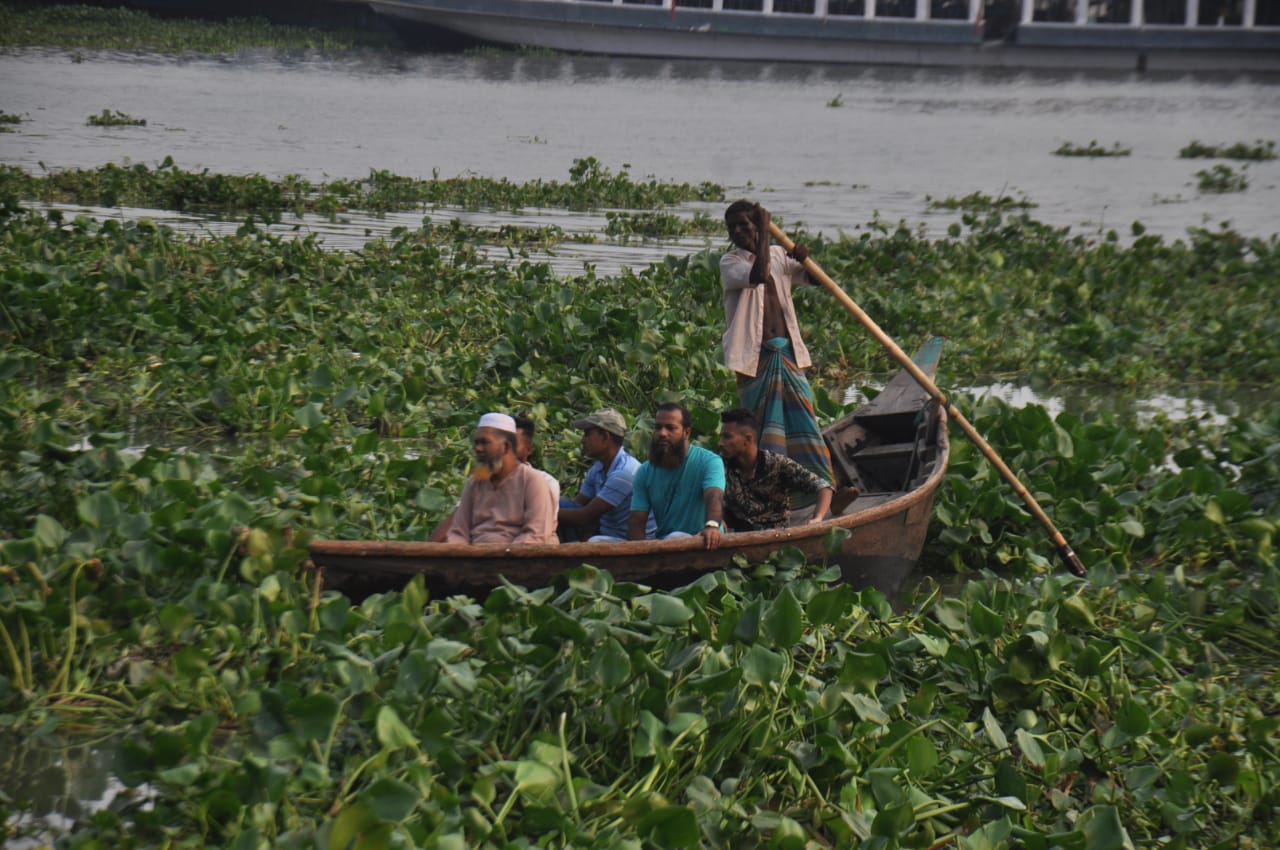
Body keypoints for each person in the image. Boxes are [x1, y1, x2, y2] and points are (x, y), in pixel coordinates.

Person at [720, 200, 835, 487]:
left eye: (744, 225)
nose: (738, 231)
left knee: (805, 421)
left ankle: (822, 486)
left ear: (756, 226)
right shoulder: (730, 262)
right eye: (732, 227)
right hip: (754, 359)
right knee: (758, 428)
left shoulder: (778, 256)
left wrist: (805, 258)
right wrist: (765, 234)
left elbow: (817, 279)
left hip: (787, 353)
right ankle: (767, 490)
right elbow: (758, 275)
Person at [430, 414, 558, 542]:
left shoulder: (532, 480)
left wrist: (503, 555)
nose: (478, 449)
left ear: (506, 447)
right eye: (476, 443)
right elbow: (458, 531)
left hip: (520, 556)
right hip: (475, 556)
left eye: (485, 443)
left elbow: (536, 534)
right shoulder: (476, 481)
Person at [718, 407, 835, 532]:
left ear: (748, 439)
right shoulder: (719, 465)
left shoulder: (777, 464)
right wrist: (717, 520)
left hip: (776, 535)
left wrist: (817, 518)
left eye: (727, 437)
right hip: (737, 534)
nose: (720, 443)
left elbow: (824, 487)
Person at [628, 402, 725, 549]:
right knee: (598, 540)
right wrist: (639, 555)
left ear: (686, 433)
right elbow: (637, 521)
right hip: (665, 543)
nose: (662, 433)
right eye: (658, 427)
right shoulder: (645, 471)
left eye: (670, 428)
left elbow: (714, 496)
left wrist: (711, 526)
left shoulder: (709, 461)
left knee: (675, 537)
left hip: (703, 541)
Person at [559, 408, 653, 542]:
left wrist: (540, 513)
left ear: (605, 437)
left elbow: (584, 516)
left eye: (587, 434)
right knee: (560, 504)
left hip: (628, 540)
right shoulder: (598, 468)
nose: (583, 440)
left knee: (555, 511)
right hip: (605, 532)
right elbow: (577, 504)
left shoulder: (625, 472)